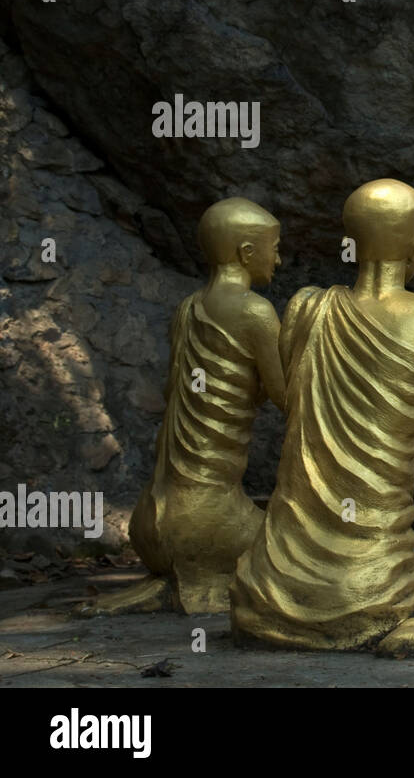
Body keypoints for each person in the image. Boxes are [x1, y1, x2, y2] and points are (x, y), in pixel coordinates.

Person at [230, 180, 414, 655]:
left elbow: (293, 406)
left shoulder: (305, 308)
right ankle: (413, 632)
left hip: (269, 589)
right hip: (379, 576)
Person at [85, 198, 284, 616]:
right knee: (297, 548)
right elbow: (287, 397)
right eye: (275, 247)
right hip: (208, 522)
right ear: (247, 253)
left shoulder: (188, 309)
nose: (279, 260)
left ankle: (169, 580)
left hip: (149, 521)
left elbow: (214, 389)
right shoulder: (254, 311)